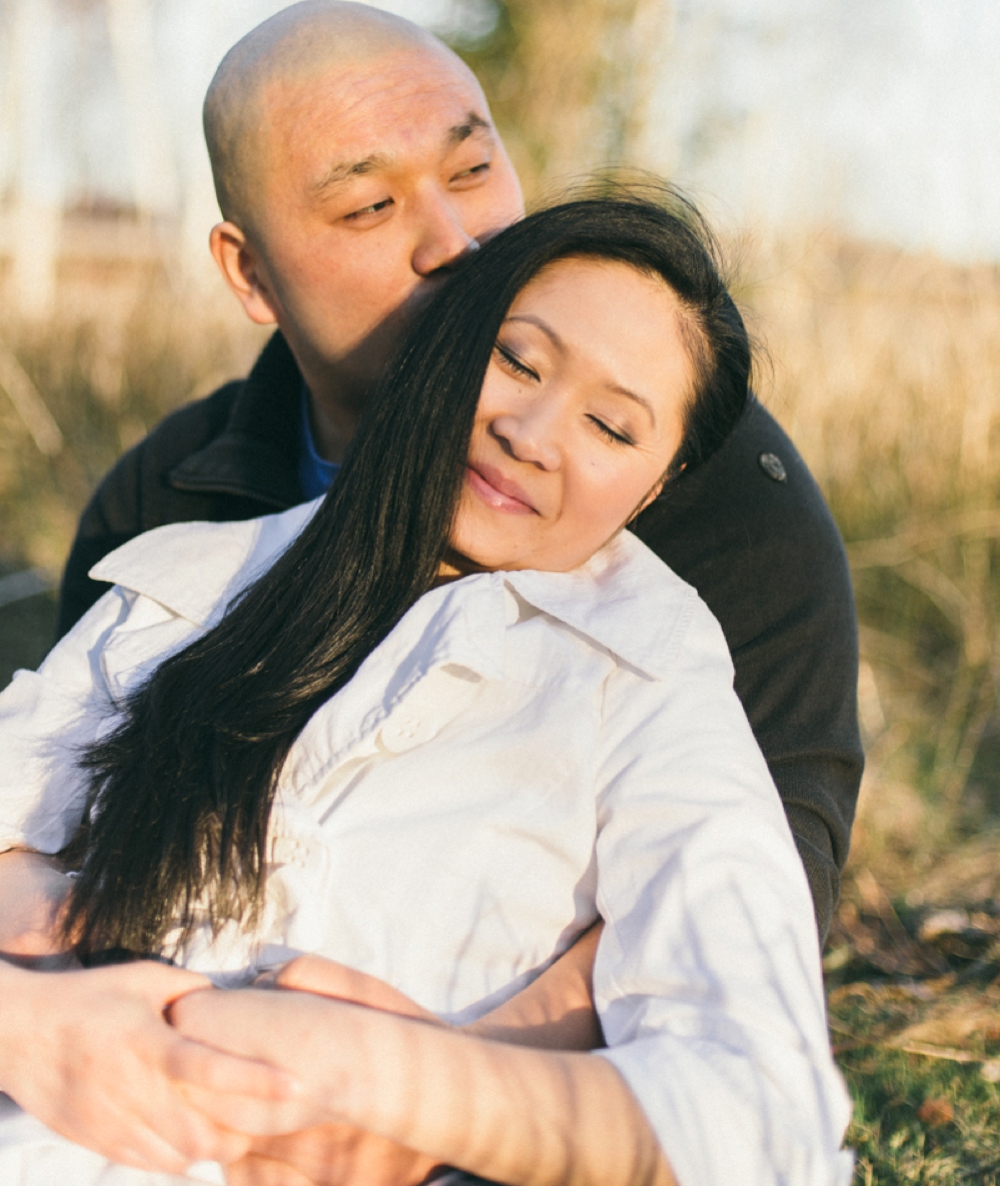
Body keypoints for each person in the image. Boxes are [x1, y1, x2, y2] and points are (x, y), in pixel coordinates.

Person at [0, 198, 852, 1186]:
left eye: (611, 426)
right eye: (518, 361)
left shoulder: (647, 674)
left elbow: (767, 1114)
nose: (531, 432)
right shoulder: (182, 583)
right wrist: (35, 1025)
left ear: (657, 486)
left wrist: (418, 1092)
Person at [53, 0, 862, 952]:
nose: (456, 242)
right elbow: (71, 810)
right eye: (369, 206)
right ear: (252, 275)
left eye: (472, 170)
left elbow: (765, 892)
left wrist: (451, 1064)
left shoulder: (727, 504)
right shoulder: (170, 510)